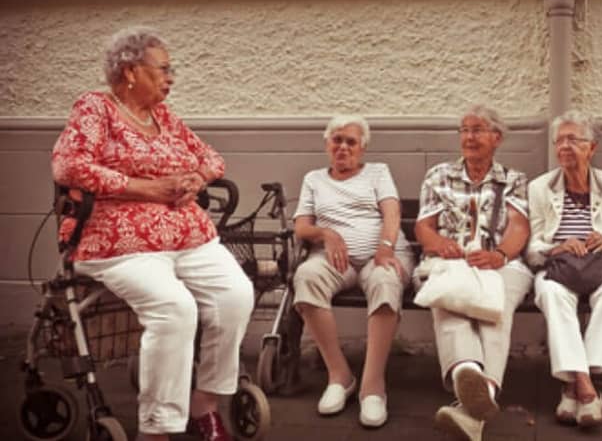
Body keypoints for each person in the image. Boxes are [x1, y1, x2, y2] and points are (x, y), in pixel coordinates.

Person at [51, 27, 254, 441]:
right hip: (121, 242)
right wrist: (145, 189)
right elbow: (69, 166)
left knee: (235, 295)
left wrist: (198, 177)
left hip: (189, 237)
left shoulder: (165, 117)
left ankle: (204, 404)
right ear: (130, 71)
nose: (171, 78)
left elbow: (212, 157)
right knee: (175, 309)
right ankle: (158, 429)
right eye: (164, 69)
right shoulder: (95, 108)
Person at [414, 105, 533, 441]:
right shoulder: (439, 175)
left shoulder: (513, 179)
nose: (469, 137)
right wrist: (441, 245)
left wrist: (499, 255)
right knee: (448, 302)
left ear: (497, 138)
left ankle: (475, 401)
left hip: (501, 262)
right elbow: (424, 227)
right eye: (464, 130)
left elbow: (519, 227)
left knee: (497, 309)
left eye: (477, 130)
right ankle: (469, 374)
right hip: (450, 260)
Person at [291, 115, 415, 428]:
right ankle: (340, 375)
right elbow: (302, 226)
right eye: (337, 140)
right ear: (327, 144)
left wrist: (385, 246)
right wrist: (326, 234)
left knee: (385, 280)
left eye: (351, 141)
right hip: (335, 259)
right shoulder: (313, 179)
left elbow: (392, 213)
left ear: (362, 148)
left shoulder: (378, 172)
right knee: (306, 277)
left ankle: (372, 386)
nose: (343, 147)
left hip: (382, 254)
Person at [525, 111, 602, 428]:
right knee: (551, 293)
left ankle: (572, 385)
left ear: (592, 147)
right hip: (558, 267)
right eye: (559, 140)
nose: (564, 146)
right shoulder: (540, 188)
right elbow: (532, 246)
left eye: (573, 139)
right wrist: (557, 247)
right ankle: (586, 388)